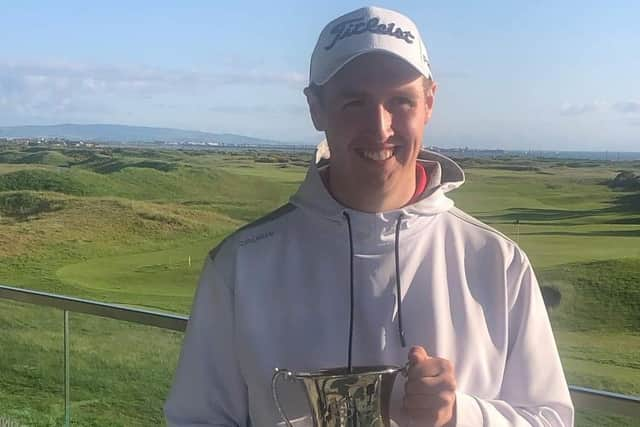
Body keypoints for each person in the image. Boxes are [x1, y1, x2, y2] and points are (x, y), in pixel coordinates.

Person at [165, 6, 574, 426]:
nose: (379, 127)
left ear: (429, 102)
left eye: (400, 101)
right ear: (316, 108)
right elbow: (197, 418)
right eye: (354, 102)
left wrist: (460, 414)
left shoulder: (497, 261)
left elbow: (551, 418)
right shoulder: (240, 265)